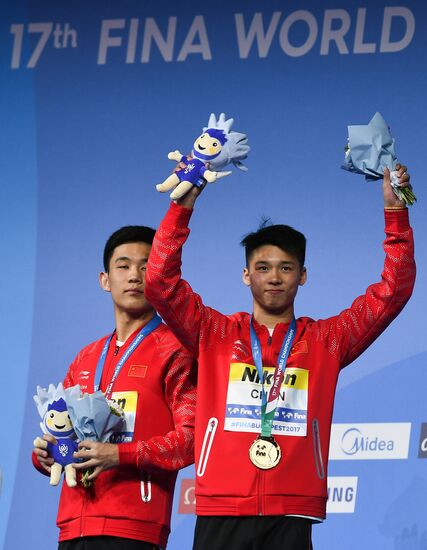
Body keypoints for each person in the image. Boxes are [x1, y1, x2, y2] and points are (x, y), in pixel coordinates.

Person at [144, 165, 416, 550]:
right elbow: (159, 282)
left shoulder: (327, 340)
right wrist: (182, 206)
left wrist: (396, 214)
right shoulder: (214, 333)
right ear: (246, 275)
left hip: (292, 510)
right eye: (263, 268)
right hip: (222, 507)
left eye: (286, 268)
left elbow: (394, 291)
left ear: (303, 275)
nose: (274, 277)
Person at [33, 225, 197, 550]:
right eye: (123, 266)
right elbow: (62, 433)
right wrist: (46, 455)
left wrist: (119, 454)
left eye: (146, 266)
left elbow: (192, 441)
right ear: (105, 280)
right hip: (73, 529)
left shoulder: (176, 351)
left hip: (135, 529)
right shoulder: (86, 357)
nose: (135, 276)